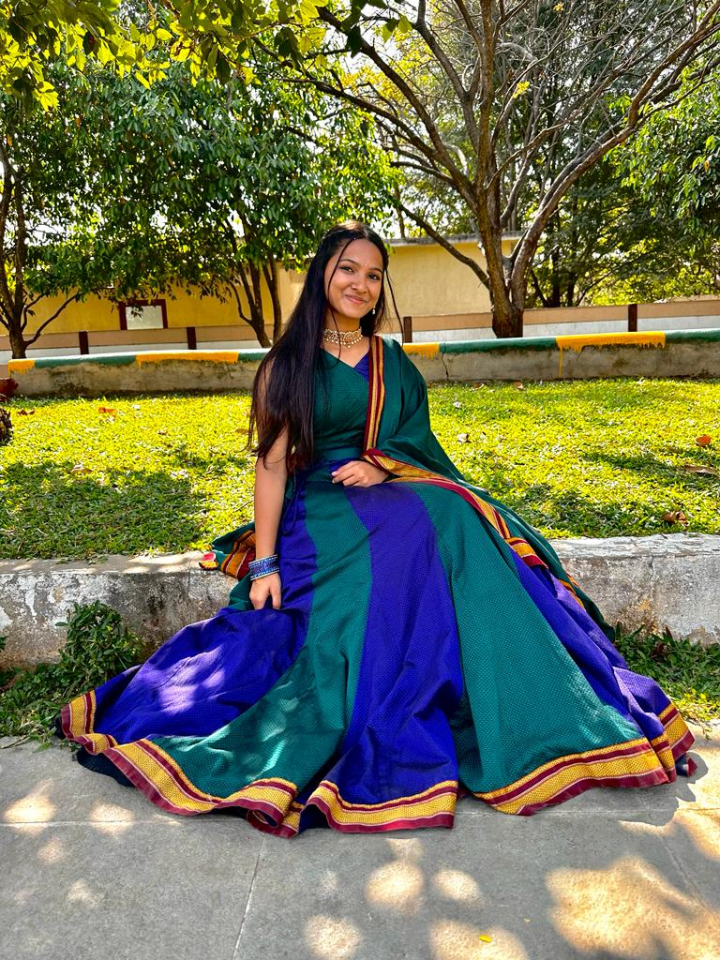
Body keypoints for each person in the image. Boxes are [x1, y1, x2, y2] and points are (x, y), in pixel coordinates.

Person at [55, 220, 696, 837]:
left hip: (384, 485)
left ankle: (521, 690)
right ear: (322, 275)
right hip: (319, 505)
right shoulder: (288, 364)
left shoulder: (391, 359)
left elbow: (416, 441)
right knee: (409, 539)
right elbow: (272, 466)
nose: (360, 284)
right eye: (348, 270)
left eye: (373, 275)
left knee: (453, 515)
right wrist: (266, 564)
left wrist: (382, 463)